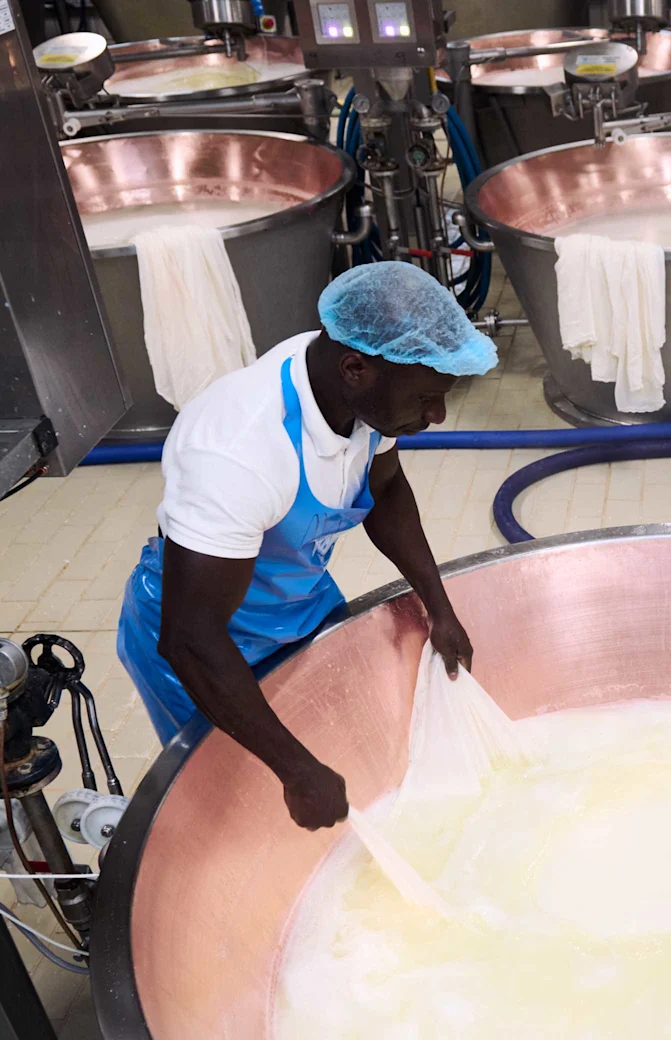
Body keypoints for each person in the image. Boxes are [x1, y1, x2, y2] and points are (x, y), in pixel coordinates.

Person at [116, 262, 496, 830]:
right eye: (427, 399)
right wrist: (294, 770)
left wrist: (438, 606)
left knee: (347, 753)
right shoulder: (238, 452)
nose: (437, 416)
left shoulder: (355, 379)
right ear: (355, 370)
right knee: (246, 798)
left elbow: (385, 489)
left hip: (299, 601)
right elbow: (191, 639)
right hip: (205, 641)